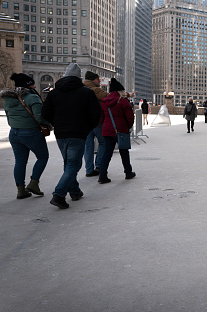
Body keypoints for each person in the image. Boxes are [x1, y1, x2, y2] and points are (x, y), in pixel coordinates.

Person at [42, 63, 101, 209]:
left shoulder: (54, 93)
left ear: (65, 75)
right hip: (78, 133)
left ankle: (74, 191)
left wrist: (57, 123)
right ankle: (59, 194)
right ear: (79, 77)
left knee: (68, 163)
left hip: (61, 133)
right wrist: (87, 127)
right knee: (73, 164)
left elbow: (45, 114)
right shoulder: (86, 92)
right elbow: (96, 114)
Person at [0, 73, 50, 199]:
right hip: (31, 132)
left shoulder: (9, 99)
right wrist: (49, 124)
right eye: (32, 83)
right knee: (43, 157)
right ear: (28, 85)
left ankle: (21, 190)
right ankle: (34, 183)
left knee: (20, 162)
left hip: (14, 133)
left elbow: (8, 116)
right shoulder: (32, 97)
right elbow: (40, 117)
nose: (34, 85)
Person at [98, 78, 136, 184]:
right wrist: (128, 126)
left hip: (107, 130)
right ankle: (128, 172)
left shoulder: (104, 102)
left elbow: (101, 117)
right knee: (124, 152)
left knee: (107, 152)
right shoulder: (123, 101)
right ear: (120, 91)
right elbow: (130, 117)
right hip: (121, 130)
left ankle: (102, 175)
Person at [83, 70, 108, 177]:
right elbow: (109, 97)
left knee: (88, 146)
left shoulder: (80, 89)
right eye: (98, 79)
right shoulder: (96, 90)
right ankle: (99, 166)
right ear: (93, 80)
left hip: (85, 122)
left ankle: (89, 170)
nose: (99, 81)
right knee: (102, 143)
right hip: (97, 121)